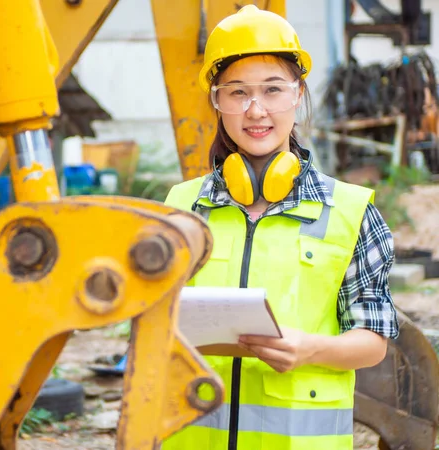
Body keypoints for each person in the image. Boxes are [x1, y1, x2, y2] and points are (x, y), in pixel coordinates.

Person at [162, 5, 399, 450]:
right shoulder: (180, 207)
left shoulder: (350, 210)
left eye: (273, 90)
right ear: (216, 101)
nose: (255, 110)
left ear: (297, 94)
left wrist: (309, 348)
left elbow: (374, 341)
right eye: (236, 93)